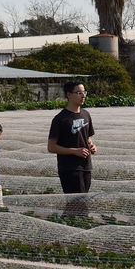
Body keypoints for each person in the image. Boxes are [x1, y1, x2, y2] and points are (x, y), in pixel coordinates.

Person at [48, 80, 97, 216]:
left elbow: (87, 137)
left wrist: (91, 146)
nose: (83, 95)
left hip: (86, 166)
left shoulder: (86, 114)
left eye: (84, 92)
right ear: (69, 95)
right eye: (79, 92)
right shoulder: (60, 119)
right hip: (69, 168)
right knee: (78, 203)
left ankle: (70, 226)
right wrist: (74, 151)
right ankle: (78, 228)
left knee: (79, 202)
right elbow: (51, 147)